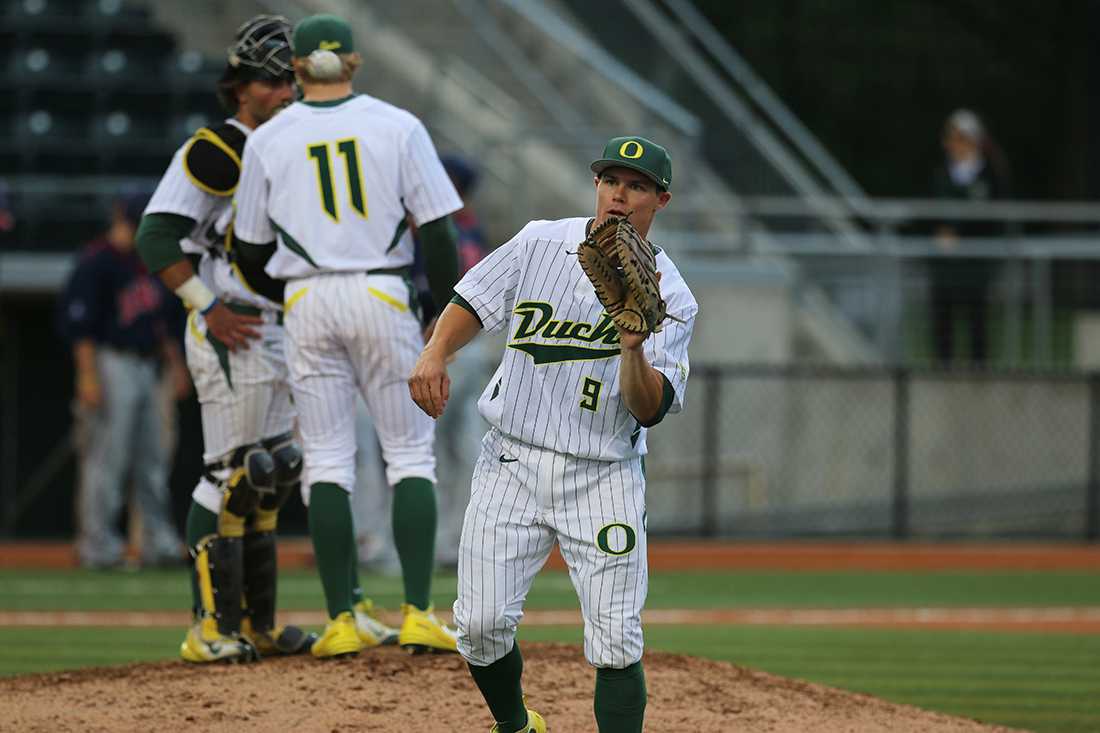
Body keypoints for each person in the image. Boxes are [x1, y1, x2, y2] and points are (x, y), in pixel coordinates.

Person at [409, 136, 699, 733]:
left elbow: (648, 408)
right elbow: (473, 297)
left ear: (660, 199)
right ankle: (516, 725)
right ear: (596, 185)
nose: (619, 194)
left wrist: (633, 346)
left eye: (637, 185)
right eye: (610, 180)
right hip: (511, 459)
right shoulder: (542, 239)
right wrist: (435, 351)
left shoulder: (671, 296)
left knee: (616, 637)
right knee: (480, 626)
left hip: (604, 473)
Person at [231, 13, 464, 659]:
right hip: (382, 289)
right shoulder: (397, 124)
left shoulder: (268, 139)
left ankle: (340, 618)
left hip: (307, 294)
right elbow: (438, 230)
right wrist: (441, 317)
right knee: (410, 454)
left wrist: (291, 297)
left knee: (329, 460)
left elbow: (248, 249)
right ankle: (418, 610)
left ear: (297, 69)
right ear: (353, 63)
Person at [135, 15, 328, 664]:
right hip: (233, 325)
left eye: (292, 79)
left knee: (270, 476)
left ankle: (259, 623)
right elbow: (156, 236)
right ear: (242, 86)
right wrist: (206, 304)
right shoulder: (218, 147)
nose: (286, 91)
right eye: (275, 80)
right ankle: (206, 626)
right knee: (230, 473)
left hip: (278, 326)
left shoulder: (295, 144)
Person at [60, 191, 189, 570]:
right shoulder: (96, 260)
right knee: (107, 458)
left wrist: (176, 366)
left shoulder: (148, 260)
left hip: (150, 366)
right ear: (120, 216)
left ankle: (157, 544)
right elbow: (80, 327)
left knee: (152, 459)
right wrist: (88, 378)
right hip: (111, 361)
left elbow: (164, 322)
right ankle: (98, 546)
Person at [929, 108, 1011, 365]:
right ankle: (943, 370)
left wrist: (957, 231)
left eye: (960, 138)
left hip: (977, 262)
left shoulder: (991, 175)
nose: (954, 144)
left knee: (977, 318)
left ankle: (979, 371)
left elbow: (994, 218)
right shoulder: (941, 175)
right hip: (946, 264)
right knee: (943, 317)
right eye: (951, 138)